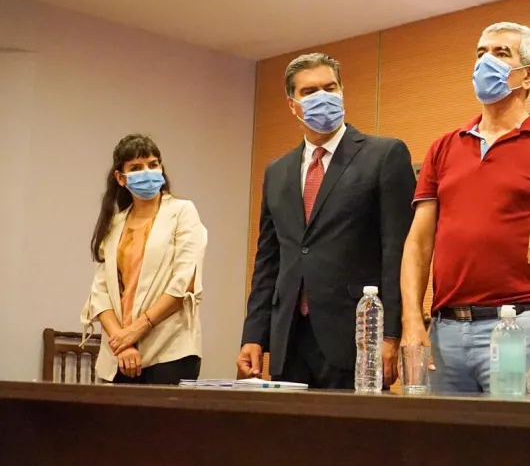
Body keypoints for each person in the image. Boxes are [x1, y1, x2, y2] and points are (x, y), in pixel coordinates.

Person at [400, 22, 530, 394]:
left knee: (513, 432)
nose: (485, 62)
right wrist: (411, 319)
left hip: (518, 328)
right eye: (481, 53)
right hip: (444, 331)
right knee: (439, 432)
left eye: (500, 53)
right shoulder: (444, 147)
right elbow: (418, 243)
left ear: (529, 75)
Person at [237, 53, 416, 389]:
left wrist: (392, 334)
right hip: (290, 337)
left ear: (342, 91)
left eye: (330, 88)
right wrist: (254, 334)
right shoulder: (277, 172)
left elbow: (398, 251)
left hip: (357, 337)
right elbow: (268, 260)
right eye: (309, 91)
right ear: (292, 105)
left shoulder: (384, 155)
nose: (322, 97)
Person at [81, 134, 206, 385]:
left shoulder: (182, 212)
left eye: (153, 164)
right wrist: (122, 341)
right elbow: (100, 292)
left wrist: (136, 330)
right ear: (121, 178)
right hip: (120, 352)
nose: (147, 172)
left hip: (169, 349)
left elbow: (183, 283)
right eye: (136, 168)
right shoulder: (115, 223)